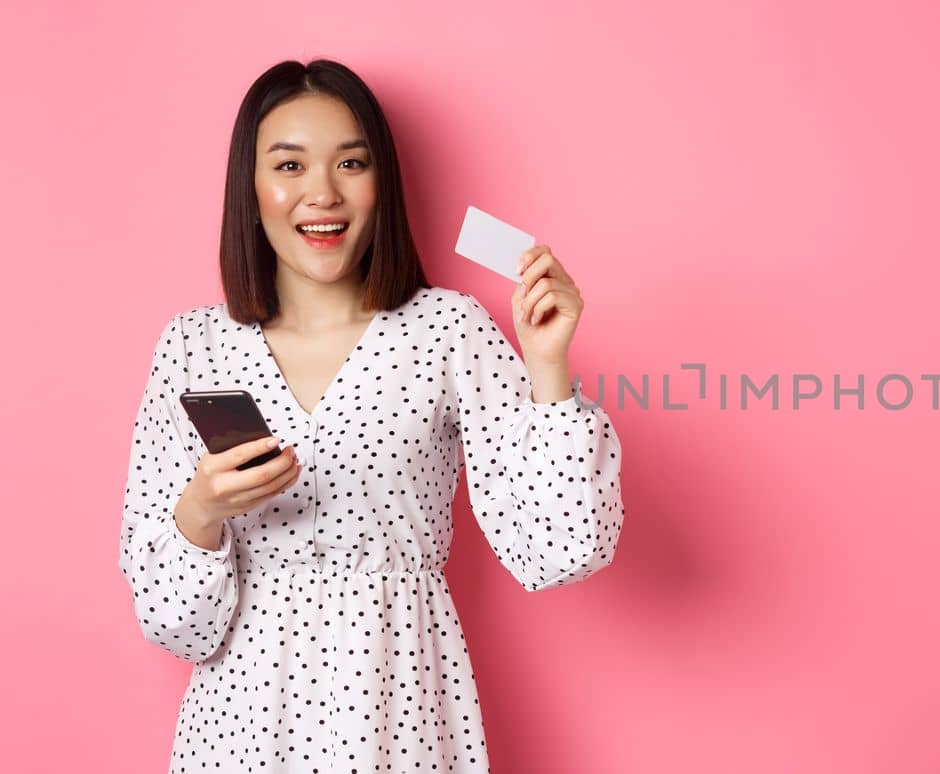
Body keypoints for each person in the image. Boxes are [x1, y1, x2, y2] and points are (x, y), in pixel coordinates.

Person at [117, 58, 625, 772]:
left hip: (398, 712)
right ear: (251, 188)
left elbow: (560, 550)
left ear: (381, 179)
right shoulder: (194, 346)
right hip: (239, 729)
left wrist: (548, 367)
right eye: (289, 166)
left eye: (350, 163)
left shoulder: (446, 330)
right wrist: (200, 514)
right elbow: (176, 627)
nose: (322, 193)